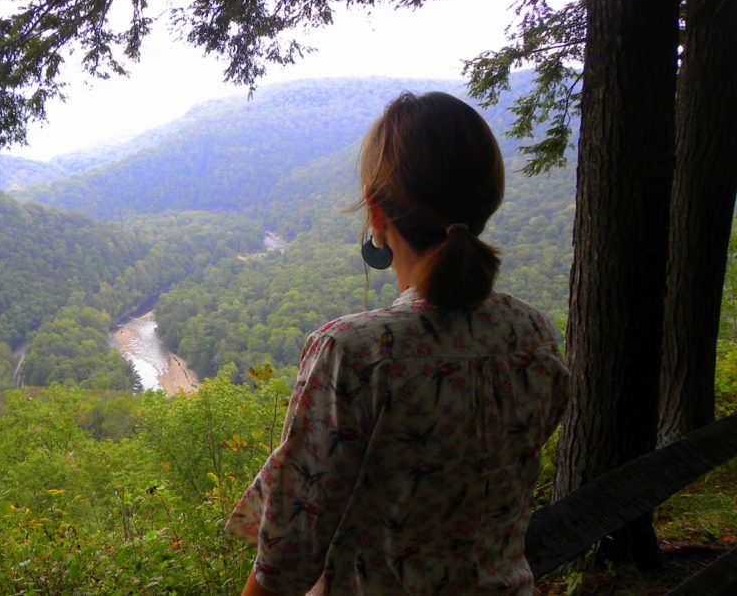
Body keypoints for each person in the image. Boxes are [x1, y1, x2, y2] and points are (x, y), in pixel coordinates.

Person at [225, 92, 570, 595]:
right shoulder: (534, 338)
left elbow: (286, 561)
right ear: (488, 200)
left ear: (376, 213)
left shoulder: (354, 354)